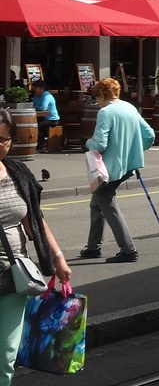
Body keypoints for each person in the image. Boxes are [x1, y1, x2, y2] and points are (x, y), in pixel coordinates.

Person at [0, 107, 71, 386]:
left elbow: (36, 223)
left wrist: (58, 258)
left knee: (5, 355)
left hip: (12, 278)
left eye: (4, 139)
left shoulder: (18, 172)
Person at [81, 77, 155, 263]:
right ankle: (93, 247)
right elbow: (149, 135)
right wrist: (135, 150)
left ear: (103, 95)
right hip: (127, 165)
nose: (96, 102)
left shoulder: (106, 112)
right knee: (97, 203)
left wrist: (87, 142)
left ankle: (128, 250)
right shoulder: (129, 107)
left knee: (107, 204)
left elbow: (99, 144)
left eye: (97, 97)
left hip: (108, 169)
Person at [30, 80, 59, 154]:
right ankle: (39, 143)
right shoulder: (36, 96)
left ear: (42, 88)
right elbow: (33, 105)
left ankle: (42, 144)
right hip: (42, 117)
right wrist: (37, 107)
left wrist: (36, 107)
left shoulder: (47, 95)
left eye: (36, 88)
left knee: (37, 127)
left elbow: (43, 107)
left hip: (52, 119)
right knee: (32, 125)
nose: (34, 90)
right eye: (34, 88)